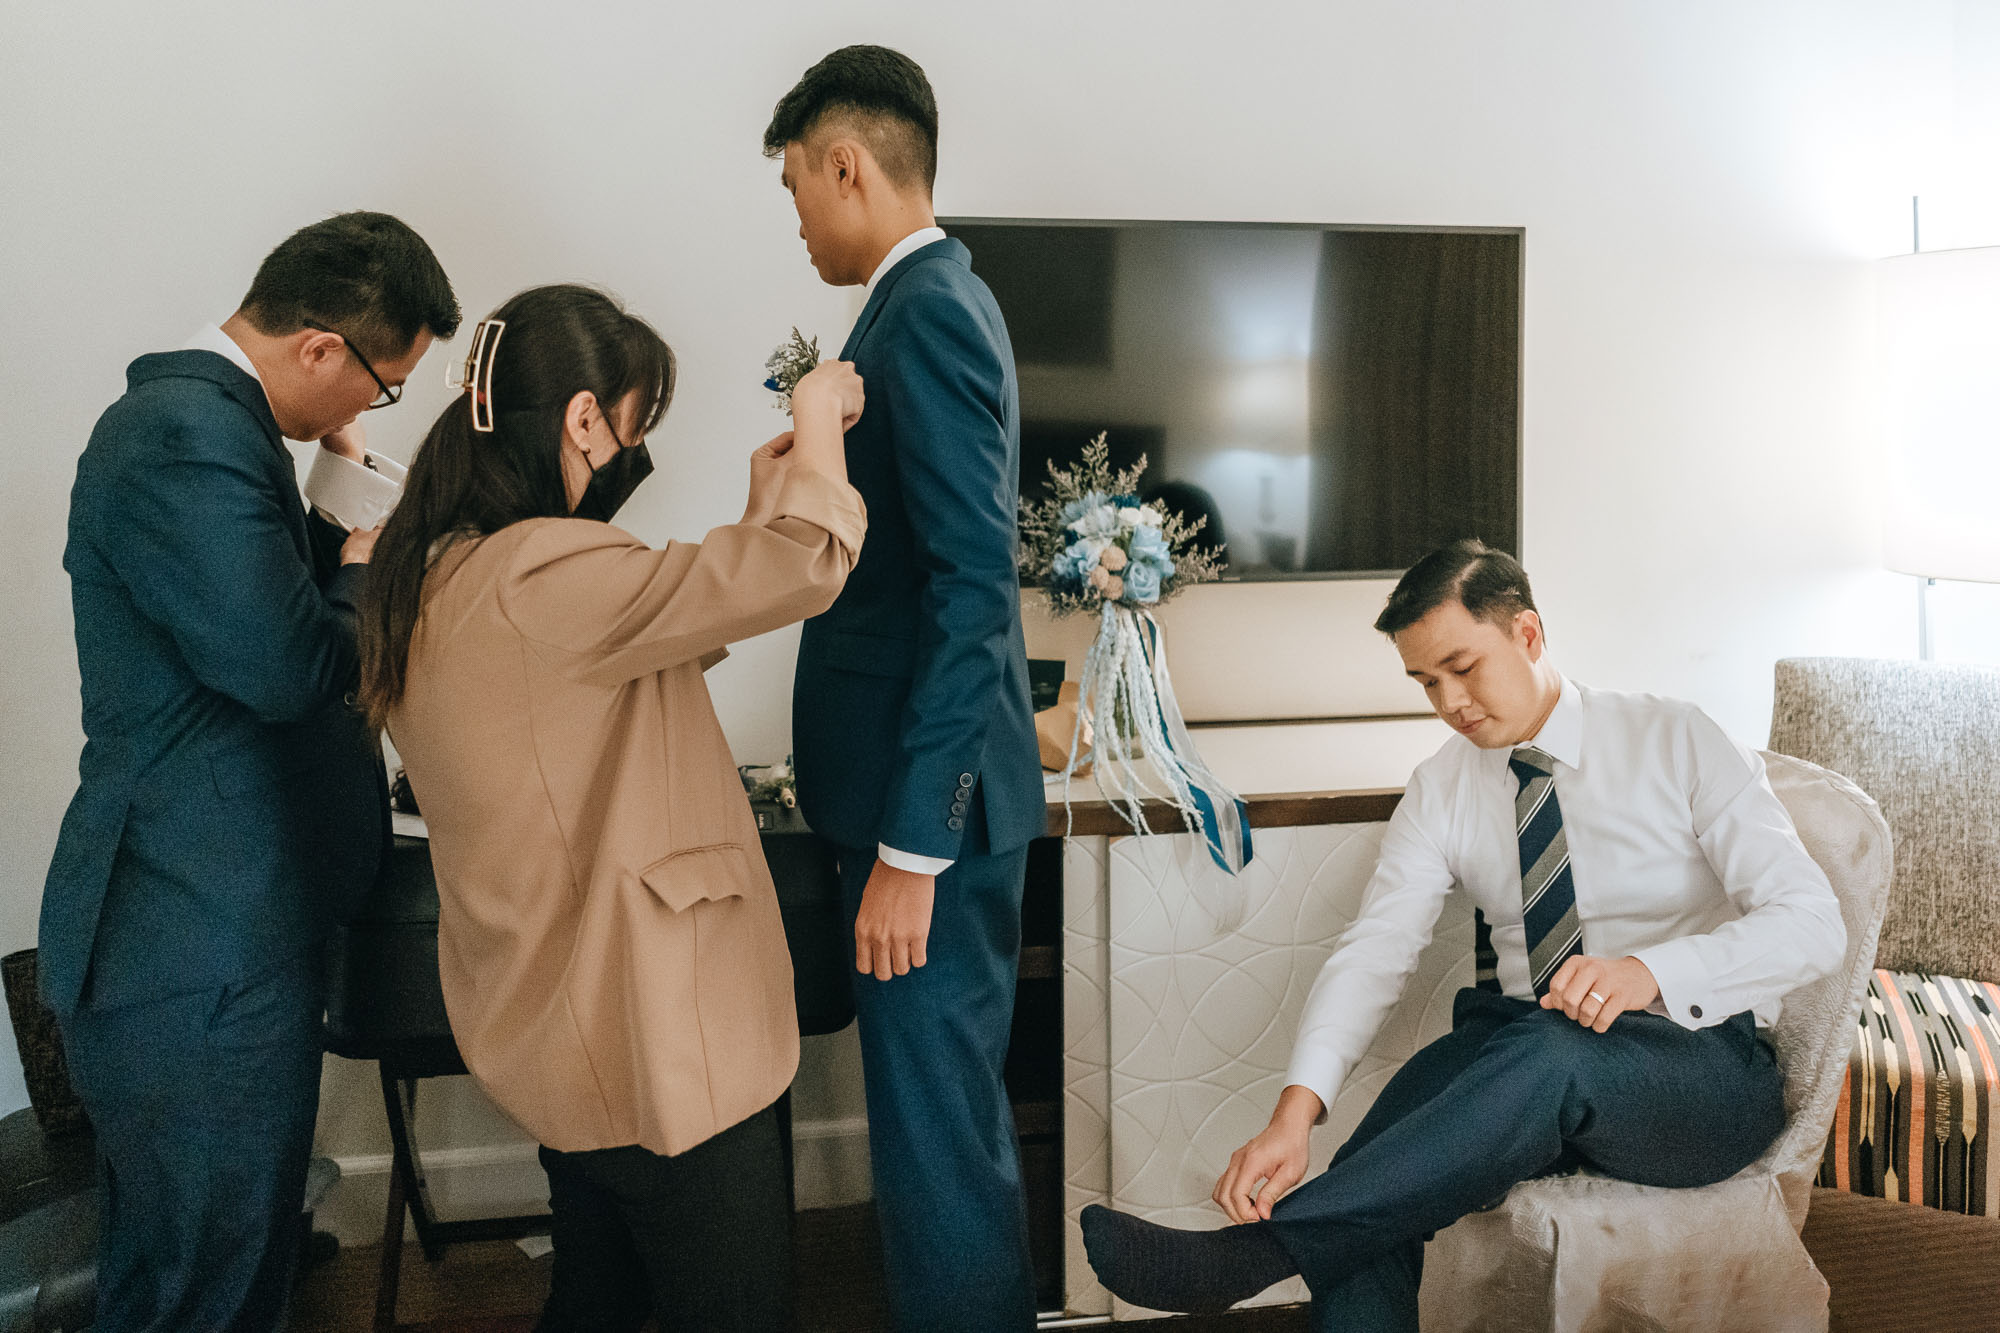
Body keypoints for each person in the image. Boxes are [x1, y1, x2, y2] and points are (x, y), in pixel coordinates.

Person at [1080, 539, 1847, 1329]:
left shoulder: (1676, 737)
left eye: (1462, 667)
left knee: (1550, 1053)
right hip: (1524, 1058)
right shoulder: (1443, 786)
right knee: (1387, 1156)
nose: (1449, 701)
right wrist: (1294, 1113)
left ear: (1528, 634)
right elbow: (1375, 950)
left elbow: (1813, 922)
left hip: (1696, 1074)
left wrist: (1647, 971)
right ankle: (1300, 1264)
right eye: (1425, 681)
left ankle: (1251, 1256)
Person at [358, 283, 866, 1332]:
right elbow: (808, 564)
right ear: (585, 418)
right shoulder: (540, 569)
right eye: (636, 426)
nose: (637, 453)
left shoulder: (436, 575)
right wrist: (818, 424)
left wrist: (755, 513)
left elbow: (645, 639)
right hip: (654, 1034)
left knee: (599, 1293)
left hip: (563, 1032)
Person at [40, 211, 458, 1331]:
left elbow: (240, 623)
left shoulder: (213, 429)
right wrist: (364, 566)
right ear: (321, 346)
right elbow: (284, 668)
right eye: (383, 384)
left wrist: (332, 514)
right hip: (191, 947)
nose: (373, 405)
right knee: (211, 1295)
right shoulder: (184, 431)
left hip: (208, 940)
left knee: (185, 1282)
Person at [766, 45, 1046, 1331]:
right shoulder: (922, 301)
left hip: (925, 819)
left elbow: (972, 590)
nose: (797, 221)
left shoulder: (923, 309)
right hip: (907, 801)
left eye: (795, 190)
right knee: (934, 1137)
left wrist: (911, 849)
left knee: (937, 1150)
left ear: (846, 165)